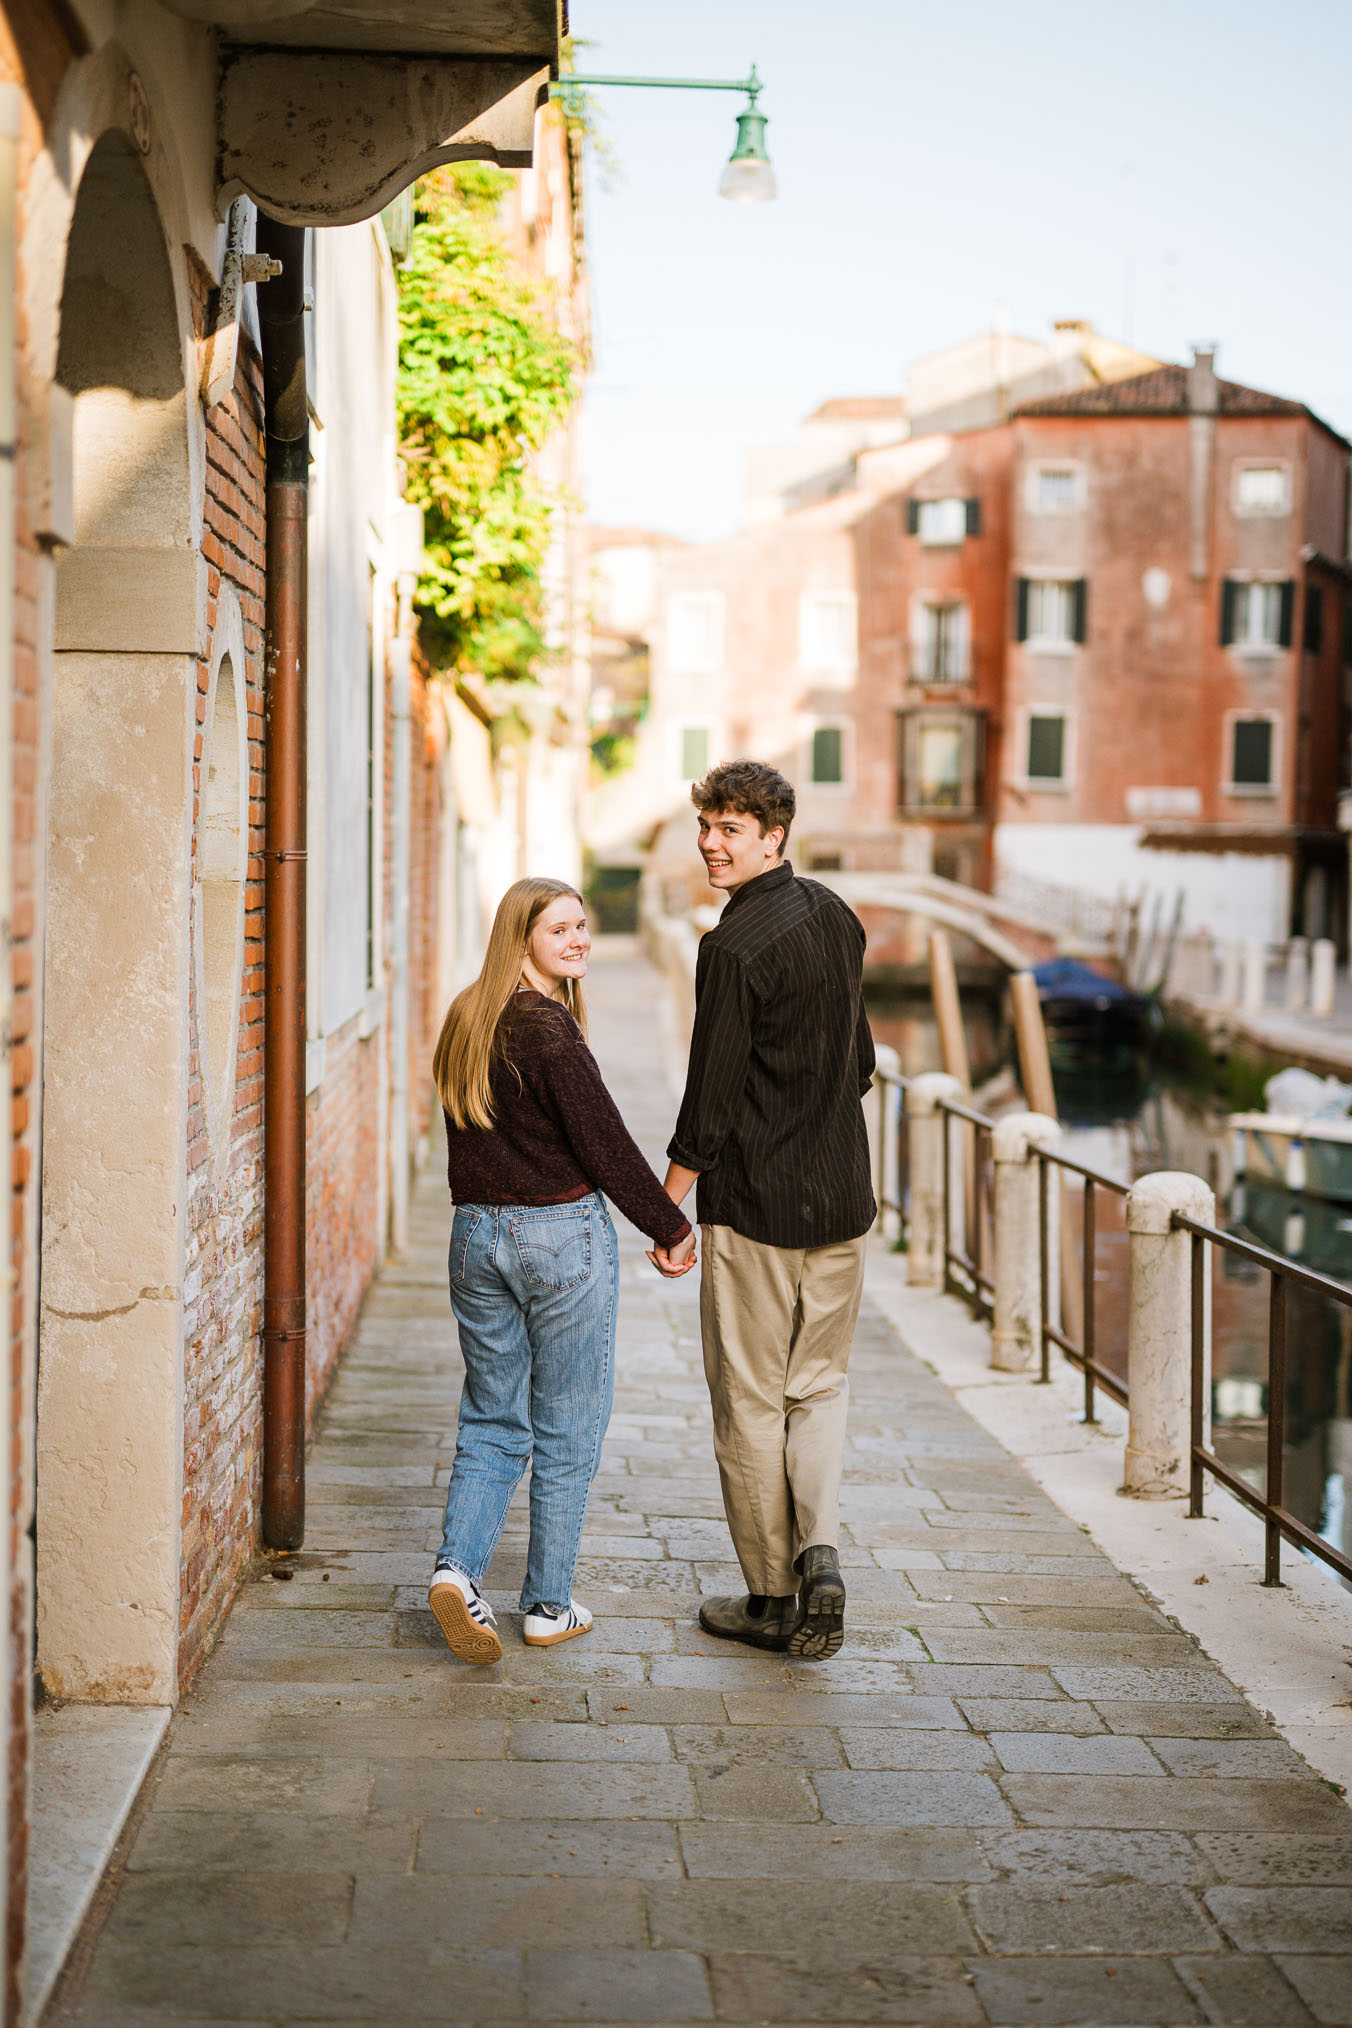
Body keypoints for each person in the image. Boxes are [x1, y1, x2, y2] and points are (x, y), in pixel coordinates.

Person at [429, 876, 695, 1665]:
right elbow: (604, 1143)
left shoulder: (467, 1020)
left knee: (490, 1418)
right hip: (558, 1239)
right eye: (559, 930)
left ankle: (457, 1570)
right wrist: (671, 1225)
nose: (578, 940)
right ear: (521, 942)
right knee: (568, 1425)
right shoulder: (548, 1030)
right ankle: (546, 1604)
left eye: (583, 926)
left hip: (475, 1236)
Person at [654, 761, 875, 1659]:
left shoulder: (732, 947)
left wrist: (669, 1212)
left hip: (753, 1209)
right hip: (841, 1202)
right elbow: (859, 1061)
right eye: (705, 825)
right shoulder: (835, 915)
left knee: (748, 1400)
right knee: (817, 1388)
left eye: (730, 830)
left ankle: (772, 1599)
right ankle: (819, 1552)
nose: (711, 842)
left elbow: (709, 1102)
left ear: (773, 835)